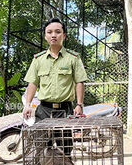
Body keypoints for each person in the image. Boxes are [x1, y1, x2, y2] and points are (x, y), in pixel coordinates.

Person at [22, 18, 88, 155]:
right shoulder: (38, 59)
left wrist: (79, 104)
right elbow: (32, 83)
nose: (53, 35)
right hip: (44, 110)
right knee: (41, 148)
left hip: (65, 110)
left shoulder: (73, 58)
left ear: (63, 35)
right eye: (49, 32)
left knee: (66, 150)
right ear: (45, 36)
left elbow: (79, 82)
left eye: (58, 32)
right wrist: (27, 104)